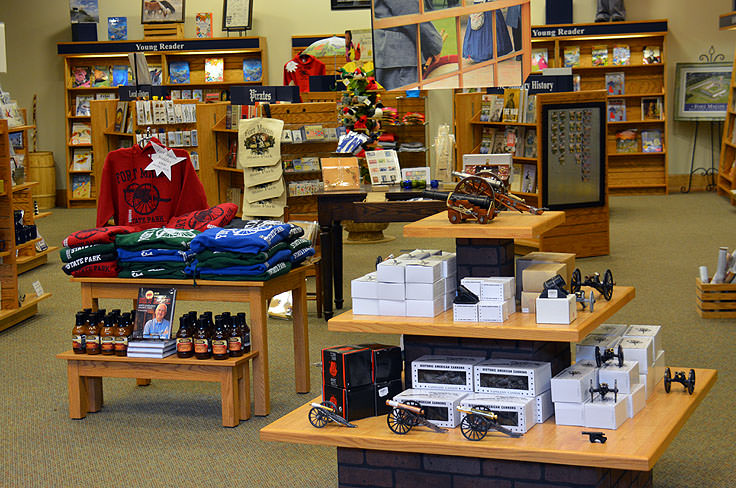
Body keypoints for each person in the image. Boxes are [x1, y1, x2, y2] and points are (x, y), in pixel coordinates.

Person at [373, 0, 443, 90]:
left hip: (388, 52)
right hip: (400, 58)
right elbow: (411, 15)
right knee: (406, 102)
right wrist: (434, 45)